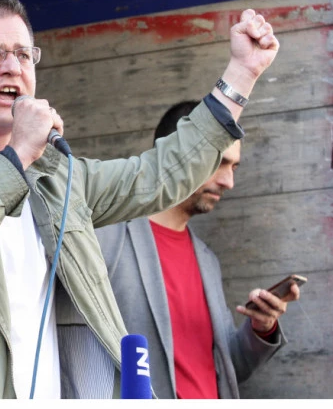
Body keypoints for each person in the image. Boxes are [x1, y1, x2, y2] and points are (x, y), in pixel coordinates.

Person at [0, 0, 280, 398]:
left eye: (24, 54)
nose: (12, 67)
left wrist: (241, 73)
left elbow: (158, 176)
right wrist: (18, 154)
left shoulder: (59, 180)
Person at [94, 100, 300, 398]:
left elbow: (228, 369)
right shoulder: (107, 239)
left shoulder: (207, 260)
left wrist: (261, 326)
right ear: (175, 152)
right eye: (219, 162)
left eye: (234, 167)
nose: (229, 181)